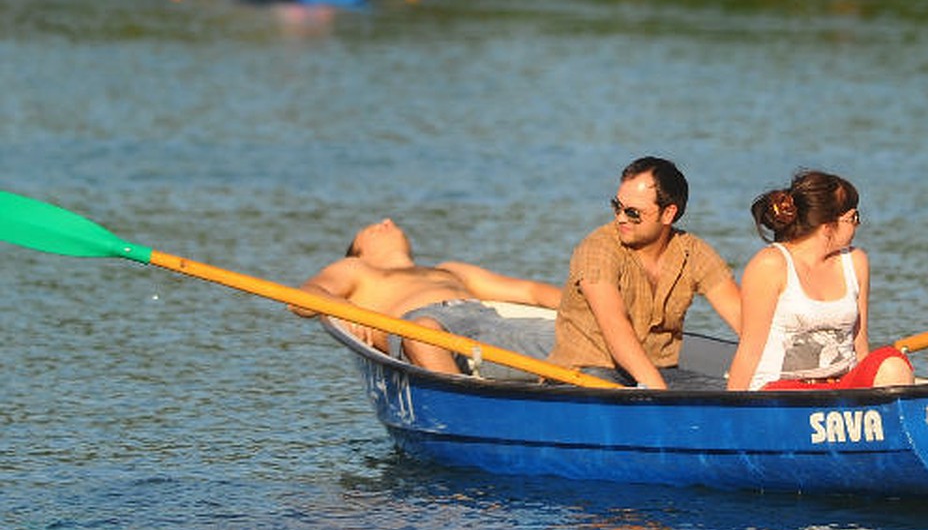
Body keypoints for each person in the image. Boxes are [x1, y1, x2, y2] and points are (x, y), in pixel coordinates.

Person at [548, 156, 741, 389]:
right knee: (609, 382)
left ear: (668, 214)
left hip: (661, 373)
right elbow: (615, 326)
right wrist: (659, 396)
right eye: (617, 207)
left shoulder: (694, 252)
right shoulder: (597, 249)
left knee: (723, 389)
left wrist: (750, 385)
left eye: (633, 213)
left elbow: (745, 322)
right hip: (585, 374)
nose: (620, 218)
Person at [290, 218, 561, 378]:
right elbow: (303, 299)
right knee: (423, 331)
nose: (387, 221)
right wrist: (341, 308)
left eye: (388, 223)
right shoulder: (356, 268)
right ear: (358, 251)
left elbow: (530, 292)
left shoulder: (450, 270)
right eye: (373, 228)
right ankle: (463, 411)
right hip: (418, 328)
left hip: (488, 322)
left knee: (579, 338)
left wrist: (585, 309)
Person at [725, 170, 914, 391]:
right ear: (827, 227)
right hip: (781, 390)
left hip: (841, 387)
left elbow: (860, 344)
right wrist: (732, 414)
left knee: (893, 364)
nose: (858, 225)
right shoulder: (770, 264)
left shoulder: (856, 261)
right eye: (853, 217)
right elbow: (749, 350)